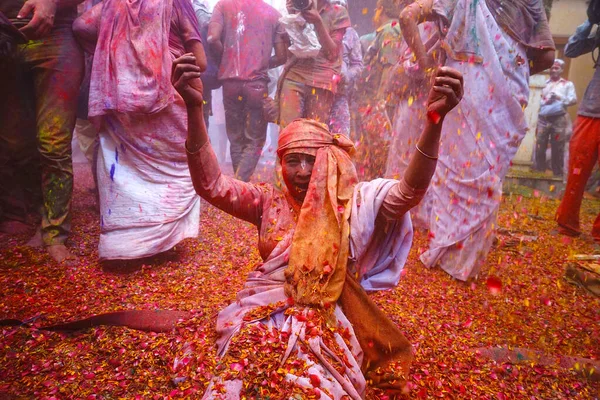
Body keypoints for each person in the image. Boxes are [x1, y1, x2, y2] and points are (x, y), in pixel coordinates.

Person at [172, 54, 464, 397]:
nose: (300, 171)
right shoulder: (268, 201)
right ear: (280, 165)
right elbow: (211, 186)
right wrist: (194, 107)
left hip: (327, 315)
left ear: (329, 161)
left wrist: (435, 121)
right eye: (291, 161)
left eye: (311, 161)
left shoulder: (354, 204)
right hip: (259, 313)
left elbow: (409, 192)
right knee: (242, 371)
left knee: (313, 383)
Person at [399, 0, 555, 280]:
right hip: (506, 94)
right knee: (486, 182)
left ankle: (447, 254)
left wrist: (427, 68)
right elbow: (546, 57)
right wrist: (505, 64)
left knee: (455, 171)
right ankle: (464, 264)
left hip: (463, 84)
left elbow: (407, 16)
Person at [73, 0, 207, 261]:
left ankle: (123, 244)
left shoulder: (113, 3)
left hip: (119, 96)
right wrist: (162, 55)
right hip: (169, 94)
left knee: (122, 167)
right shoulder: (177, 2)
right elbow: (199, 60)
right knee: (175, 168)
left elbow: (80, 26)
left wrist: (114, 51)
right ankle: (161, 243)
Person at [0, 0, 85, 263]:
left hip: (55, 34)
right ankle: (34, 214)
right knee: (14, 143)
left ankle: (54, 233)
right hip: (6, 37)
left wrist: (53, 2)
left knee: (53, 142)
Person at [207, 0, 287, 182]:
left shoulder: (222, 6)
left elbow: (212, 38)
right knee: (255, 140)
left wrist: (227, 60)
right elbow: (283, 56)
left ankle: (237, 186)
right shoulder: (273, 14)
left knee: (236, 138)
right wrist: (261, 63)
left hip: (230, 84)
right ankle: (240, 185)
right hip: (256, 86)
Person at [556, 19, 600, 244]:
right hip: (592, 110)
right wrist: (591, 20)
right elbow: (571, 49)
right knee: (576, 171)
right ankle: (567, 224)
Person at [278, 0, 351, 128]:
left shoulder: (338, 12)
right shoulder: (298, 7)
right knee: (288, 133)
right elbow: (290, 52)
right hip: (294, 75)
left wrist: (318, 22)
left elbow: (333, 53)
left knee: (314, 135)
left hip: (322, 80)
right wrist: (293, 17)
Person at [534, 59, 577, 177]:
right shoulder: (544, 83)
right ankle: (539, 172)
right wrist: (545, 100)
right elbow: (537, 98)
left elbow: (573, 100)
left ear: (561, 70)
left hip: (559, 119)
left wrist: (559, 98)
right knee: (540, 145)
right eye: (552, 68)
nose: (553, 70)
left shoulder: (567, 84)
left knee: (557, 146)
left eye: (556, 68)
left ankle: (557, 174)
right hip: (543, 118)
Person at [328, 0, 363, 137]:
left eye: (343, 6)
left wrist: (347, 75)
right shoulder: (319, 27)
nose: (339, 10)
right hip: (318, 92)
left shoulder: (351, 34)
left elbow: (358, 65)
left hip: (340, 95)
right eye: (335, 5)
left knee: (341, 138)